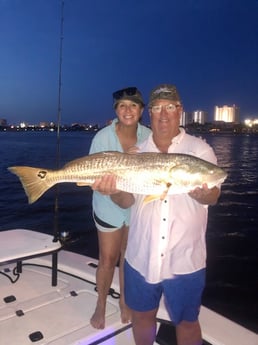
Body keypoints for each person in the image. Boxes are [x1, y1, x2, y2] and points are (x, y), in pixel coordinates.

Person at [92, 84, 222, 345]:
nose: (164, 114)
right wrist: (112, 190)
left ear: (180, 110)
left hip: (185, 260)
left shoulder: (200, 150)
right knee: (141, 318)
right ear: (150, 112)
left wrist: (203, 194)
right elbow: (127, 200)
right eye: (158, 108)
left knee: (186, 323)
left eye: (170, 107)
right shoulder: (137, 151)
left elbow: (214, 193)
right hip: (141, 258)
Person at [89, 86, 151, 329]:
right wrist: (102, 186)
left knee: (128, 258)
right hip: (108, 205)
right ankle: (101, 304)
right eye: (122, 105)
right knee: (108, 258)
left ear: (141, 110)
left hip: (137, 207)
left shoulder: (149, 135)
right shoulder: (102, 137)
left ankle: (125, 301)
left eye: (133, 105)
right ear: (116, 110)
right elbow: (94, 176)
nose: (128, 110)